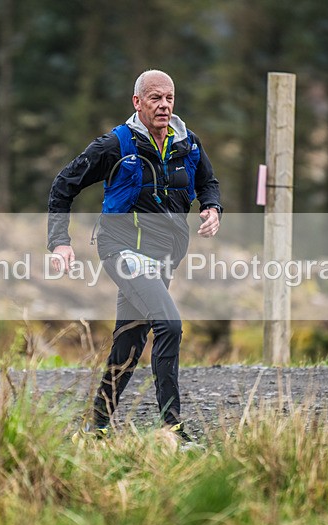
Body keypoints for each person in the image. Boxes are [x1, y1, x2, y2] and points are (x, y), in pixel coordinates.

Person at [47, 69, 222, 443]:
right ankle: (172, 428)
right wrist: (60, 241)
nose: (164, 105)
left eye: (169, 98)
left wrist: (212, 207)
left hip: (164, 257)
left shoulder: (187, 143)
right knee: (169, 325)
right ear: (137, 102)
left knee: (130, 341)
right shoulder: (115, 144)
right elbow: (63, 185)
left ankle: (97, 425)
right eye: (155, 98)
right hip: (122, 249)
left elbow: (208, 182)